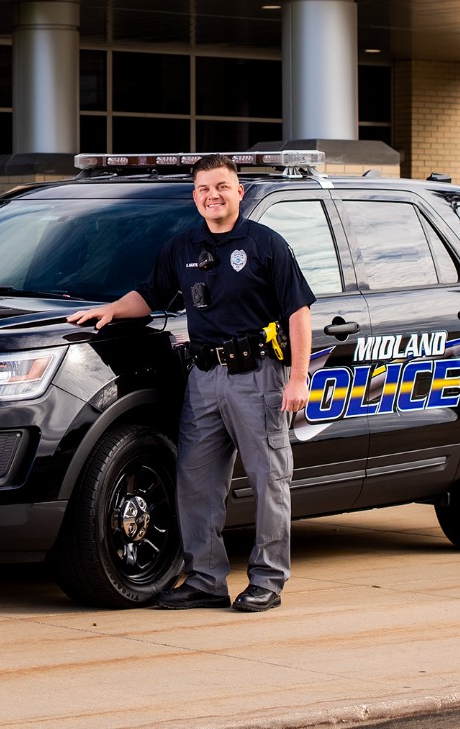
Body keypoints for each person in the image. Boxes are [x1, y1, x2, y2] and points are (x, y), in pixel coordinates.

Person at [67, 153, 313, 612]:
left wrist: (297, 377)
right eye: (203, 188)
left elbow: (298, 312)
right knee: (195, 481)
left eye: (221, 187)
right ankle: (205, 579)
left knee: (268, 480)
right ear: (194, 195)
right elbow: (151, 294)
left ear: (238, 192)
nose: (212, 196)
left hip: (257, 376)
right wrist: (112, 310)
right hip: (203, 378)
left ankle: (267, 580)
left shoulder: (266, 244)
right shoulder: (183, 247)